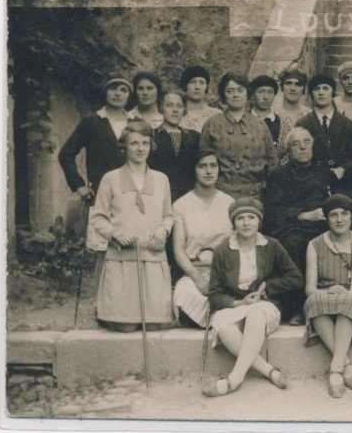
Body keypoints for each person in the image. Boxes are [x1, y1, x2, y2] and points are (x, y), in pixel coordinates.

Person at [201, 198, 303, 396]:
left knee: (256, 313)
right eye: (240, 218)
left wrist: (267, 287)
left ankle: (235, 379)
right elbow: (214, 294)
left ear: (259, 221)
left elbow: (295, 277)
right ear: (233, 223)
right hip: (235, 306)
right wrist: (238, 302)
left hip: (264, 304)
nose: (246, 223)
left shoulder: (271, 245)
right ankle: (270, 371)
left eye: (251, 217)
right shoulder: (223, 250)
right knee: (224, 327)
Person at [89, 120, 174, 331]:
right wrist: (115, 233)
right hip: (122, 259)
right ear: (124, 146)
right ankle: (107, 313)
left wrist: (163, 231)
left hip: (153, 257)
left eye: (145, 143)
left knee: (154, 326)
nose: (140, 148)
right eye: (134, 143)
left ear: (151, 146)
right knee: (125, 327)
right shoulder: (111, 179)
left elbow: (168, 215)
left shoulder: (161, 179)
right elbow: (98, 218)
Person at [304, 195, 352, 398]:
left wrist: (349, 293)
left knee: (347, 303)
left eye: (344, 214)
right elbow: (310, 289)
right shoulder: (315, 245)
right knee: (313, 302)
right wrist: (326, 292)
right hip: (326, 298)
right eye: (333, 215)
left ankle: (335, 369)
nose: (339, 219)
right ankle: (346, 364)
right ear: (326, 219)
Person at [263, 127, 334, 320]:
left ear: (313, 145)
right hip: (292, 227)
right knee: (294, 244)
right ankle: (297, 308)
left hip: (323, 225)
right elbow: (272, 211)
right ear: (288, 150)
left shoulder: (325, 173)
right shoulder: (278, 176)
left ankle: (333, 302)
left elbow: (338, 201)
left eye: (307, 142)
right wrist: (301, 215)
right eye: (296, 144)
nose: (302, 147)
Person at [58, 75, 136, 252]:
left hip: (132, 195)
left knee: (129, 248)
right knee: (102, 251)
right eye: (113, 88)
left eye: (123, 90)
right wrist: (79, 186)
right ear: (105, 92)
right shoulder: (92, 121)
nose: (118, 93)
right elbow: (66, 154)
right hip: (101, 194)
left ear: (129, 95)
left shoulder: (136, 123)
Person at [171, 149, 235, 328]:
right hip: (195, 271)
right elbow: (178, 249)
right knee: (185, 294)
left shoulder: (229, 203)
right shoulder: (181, 205)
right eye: (202, 166)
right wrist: (197, 278)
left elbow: (237, 244)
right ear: (193, 170)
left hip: (226, 272)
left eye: (213, 166)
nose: (208, 171)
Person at [200, 72, 277, 199]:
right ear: (224, 95)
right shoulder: (212, 124)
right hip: (220, 194)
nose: (235, 95)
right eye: (230, 91)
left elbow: (272, 161)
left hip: (255, 195)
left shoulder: (260, 125)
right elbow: (202, 160)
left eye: (240, 90)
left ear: (247, 94)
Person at [297, 73, 352, 195]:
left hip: (343, 184)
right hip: (313, 184)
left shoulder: (346, 123)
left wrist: (343, 168)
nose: (321, 93)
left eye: (326, 88)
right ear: (312, 95)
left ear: (333, 93)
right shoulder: (303, 124)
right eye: (317, 89)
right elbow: (299, 156)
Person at [148, 89, 201, 202]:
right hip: (158, 197)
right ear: (161, 108)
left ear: (184, 110)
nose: (175, 110)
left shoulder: (194, 137)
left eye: (179, 106)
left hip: (187, 198)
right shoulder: (151, 136)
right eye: (169, 105)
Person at [249, 74, 292, 158]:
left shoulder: (283, 123)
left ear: (274, 95)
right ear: (253, 94)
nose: (265, 97)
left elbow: (287, 154)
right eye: (260, 92)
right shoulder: (243, 120)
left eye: (270, 92)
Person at [179, 65, 221, 133]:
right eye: (192, 82)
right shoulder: (176, 114)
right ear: (185, 85)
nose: (197, 87)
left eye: (201, 83)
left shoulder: (217, 115)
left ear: (206, 87)